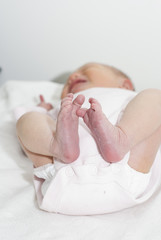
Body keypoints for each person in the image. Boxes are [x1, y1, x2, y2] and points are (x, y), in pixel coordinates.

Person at [15, 62, 161, 215]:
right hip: (59, 175)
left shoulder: (131, 98)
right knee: (27, 119)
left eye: (85, 70)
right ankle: (57, 146)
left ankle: (122, 137)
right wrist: (42, 109)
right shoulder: (62, 106)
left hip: (127, 166)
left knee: (155, 97)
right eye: (66, 84)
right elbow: (29, 139)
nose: (72, 77)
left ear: (124, 85)